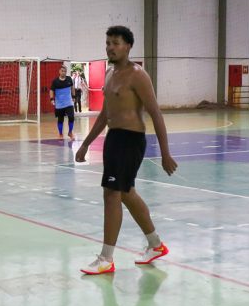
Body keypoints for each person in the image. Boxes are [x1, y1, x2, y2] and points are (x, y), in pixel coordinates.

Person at [74, 26, 177, 274]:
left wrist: (165, 153)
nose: (110, 47)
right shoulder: (110, 75)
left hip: (131, 140)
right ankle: (155, 244)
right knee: (126, 193)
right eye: (108, 42)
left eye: (116, 43)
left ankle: (106, 259)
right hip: (113, 139)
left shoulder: (137, 75)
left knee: (111, 194)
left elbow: (155, 113)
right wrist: (85, 143)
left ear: (128, 46)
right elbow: (105, 114)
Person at [50, 64, 75, 140]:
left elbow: (72, 88)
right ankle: (60, 134)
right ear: (59, 72)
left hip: (68, 103)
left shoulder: (69, 79)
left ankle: (70, 132)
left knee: (71, 117)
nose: (63, 72)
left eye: (65, 71)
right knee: (60, 119)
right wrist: (51, 99)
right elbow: (51, 90)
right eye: (62, 71)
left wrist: (73, 96)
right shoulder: (55, 81)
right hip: (59, 104)